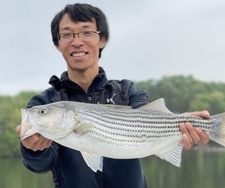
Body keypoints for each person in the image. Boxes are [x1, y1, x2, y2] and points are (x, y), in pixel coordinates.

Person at [16, 3, 209, 188]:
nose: (76, 41)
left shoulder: (127, 91)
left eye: (86, 32)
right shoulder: (45, 102)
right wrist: (32, 149)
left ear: (102, 39)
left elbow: (153, 119)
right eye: (67, 34)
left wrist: (186, 127)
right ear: (58, 43)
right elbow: (39, 165)